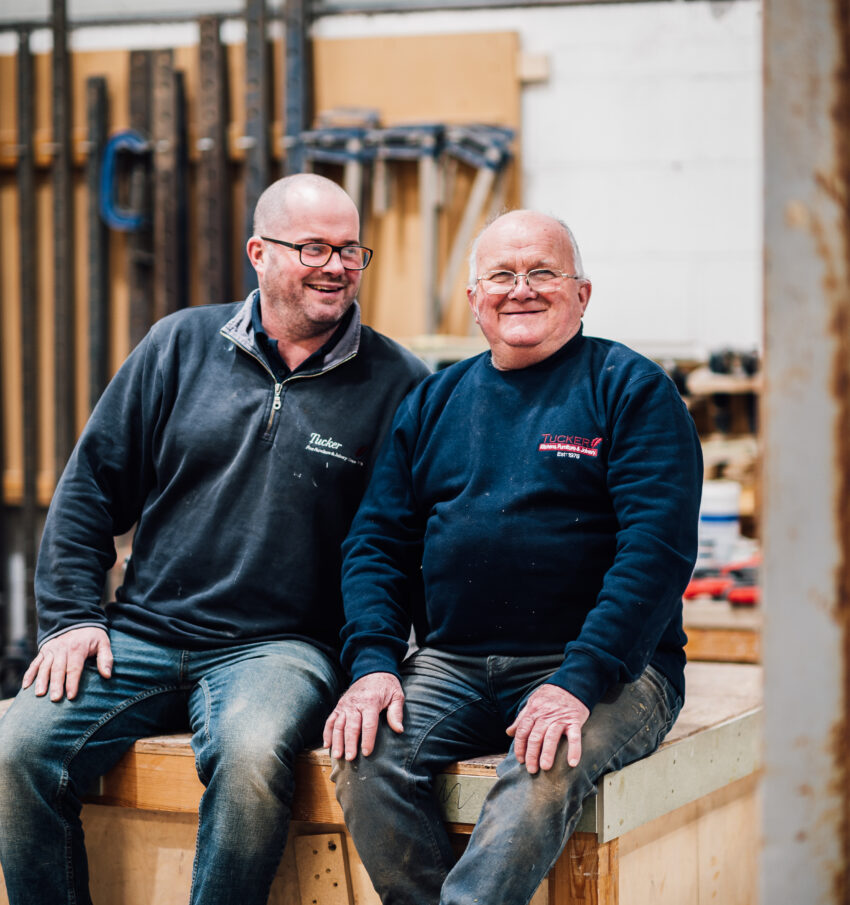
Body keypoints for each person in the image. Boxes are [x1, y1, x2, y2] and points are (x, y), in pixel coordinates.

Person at [0, 173, 429, 905]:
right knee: (18, 750)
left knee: (252, 753)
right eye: (314, 247)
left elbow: (403, 545)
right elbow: (90, 487)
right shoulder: (179, 344)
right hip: (139, 632)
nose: (337, 266)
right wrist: (72, 616)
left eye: (351, 249)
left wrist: (381, 659)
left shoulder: (401, 383)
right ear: (260, 252)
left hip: (283, 647)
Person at [323, 210, 703, 905]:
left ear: (582, 294)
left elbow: (657, 549)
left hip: (602, 667)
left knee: (544, 763)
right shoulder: (433, 402)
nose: (520, 289)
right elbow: (375, 542)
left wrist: (577, 680)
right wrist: (374, 664)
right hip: (455, 661)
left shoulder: (631, 388)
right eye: (501, 275)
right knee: (363, 750)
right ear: (475, 299)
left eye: (543, 273)